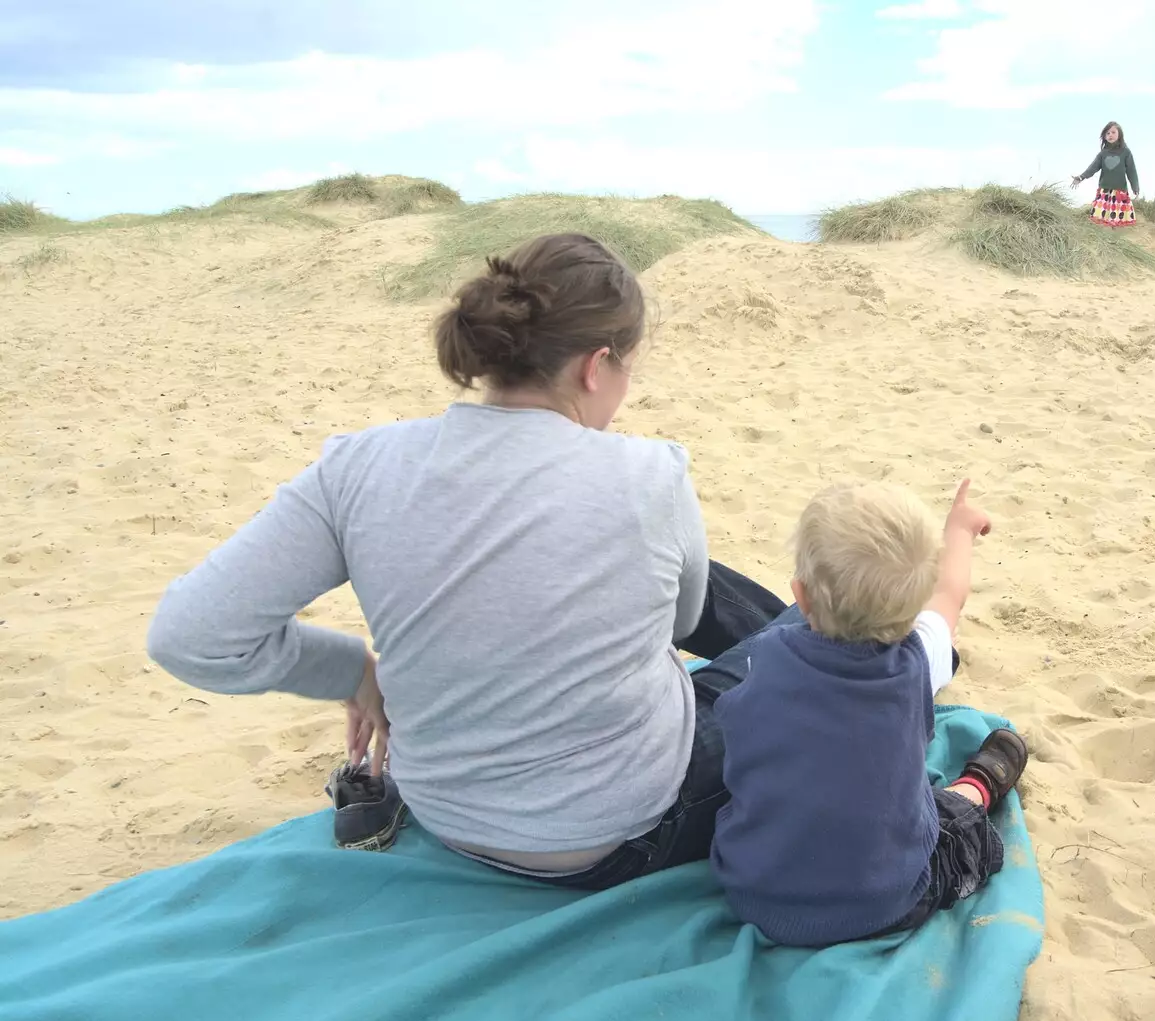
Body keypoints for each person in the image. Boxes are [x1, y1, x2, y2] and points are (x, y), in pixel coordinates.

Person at [147, 232, 791, 886]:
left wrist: (355, 672)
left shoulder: (357, 466)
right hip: (628, 831)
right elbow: (683, 623)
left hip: (451, 817)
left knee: (662, 560)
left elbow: (190, 634)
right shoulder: (651, 473)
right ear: (597, 366)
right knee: (803, 652)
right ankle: (825, 638)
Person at [710, 479, 1029, 947]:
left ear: (800, 596)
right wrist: (959, 532)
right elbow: (951, 597)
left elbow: (737, 731)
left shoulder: (768, 656)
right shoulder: (918, 660)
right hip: (879, 907)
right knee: (955, 833)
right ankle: (976, 789)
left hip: (752, 893)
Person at [1070, 121, 1140, 227]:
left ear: (1119, 134)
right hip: (1104, 192)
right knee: (1102, 222)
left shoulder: (1126, 152)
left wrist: (1135, 188)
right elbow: (1092, 168)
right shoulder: (1103, 153)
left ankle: (1117, 240)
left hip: (1119, 192)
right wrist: (1081, 177)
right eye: (1107, 133)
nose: (1110, 135)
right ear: (1104, 136)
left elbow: (1132, 171)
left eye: (1113, 132)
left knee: (1117, 222)